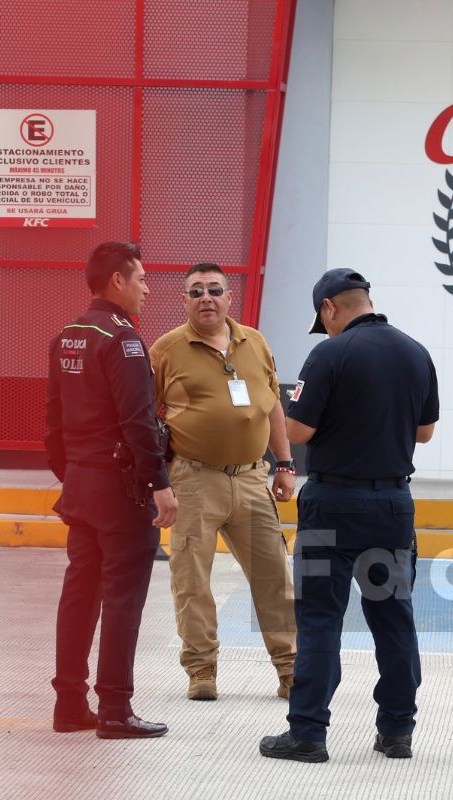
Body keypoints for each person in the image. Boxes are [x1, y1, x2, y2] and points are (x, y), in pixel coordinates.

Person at [259, 268, 439, 763]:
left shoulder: (328, 354)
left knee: (319, 619)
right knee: (392, 617)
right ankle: (398, 731)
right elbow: (424, 433)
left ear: (329, 308)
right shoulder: (415, 352)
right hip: (392, 509)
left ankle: (307, 734)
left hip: (332, 510)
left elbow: (296, 431)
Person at [45, 241, 179, 740]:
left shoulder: (68, 336)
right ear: (117, 281)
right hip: (120, 490)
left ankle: (70, 705)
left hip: (81, 484)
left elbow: (53, 422)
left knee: (80, 591)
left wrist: (73, 472)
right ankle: (117, 710)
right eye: (141, 278)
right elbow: (139, 422)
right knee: (123, 597)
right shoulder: (121, 340)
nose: (147, 288)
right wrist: (158, 485)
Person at [149, 263, 297, 701]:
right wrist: (156, 480)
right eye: (196, 292)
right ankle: (201, 670)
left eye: (215, 289)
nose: (206, 297)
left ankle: (290, 670)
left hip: (252, 478)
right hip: (194, 479)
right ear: (185, 301)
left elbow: (271, 407)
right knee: (191, 579)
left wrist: (285, 465)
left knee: (273, 574)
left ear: (230, 297)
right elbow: (145, 416)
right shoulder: (166, 350)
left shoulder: (255, 342)